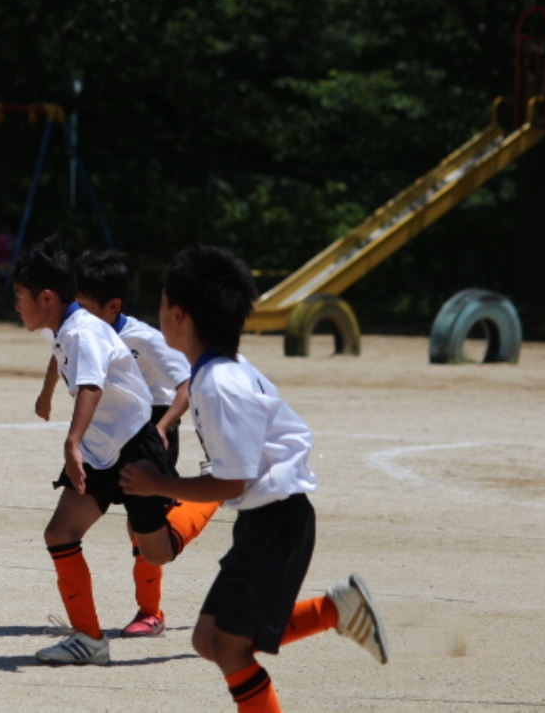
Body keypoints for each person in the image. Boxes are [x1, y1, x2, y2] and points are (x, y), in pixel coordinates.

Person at [120, 244, 389, 712]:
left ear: (178, 315)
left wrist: (157, 484)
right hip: (264, 522)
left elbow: (232, 484)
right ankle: (335, 609)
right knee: (207, 639)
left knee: (228, 646)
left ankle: (335, 610)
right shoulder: (215, 373)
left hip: (278, 522)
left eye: (162, 302)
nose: (158, 312)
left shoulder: (220, 383)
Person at [12, 236, 205, 666]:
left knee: (155, 550)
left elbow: (91, 387)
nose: (16, 305)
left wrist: (72, 442)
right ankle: (90, 639)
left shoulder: (83, 331)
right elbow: (67, 367)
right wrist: (50, 401)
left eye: (20, 296)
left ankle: (210, 493)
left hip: (134, 447)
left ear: (47, 298)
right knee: (60, 533)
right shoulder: (67, 329)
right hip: (102, 449)